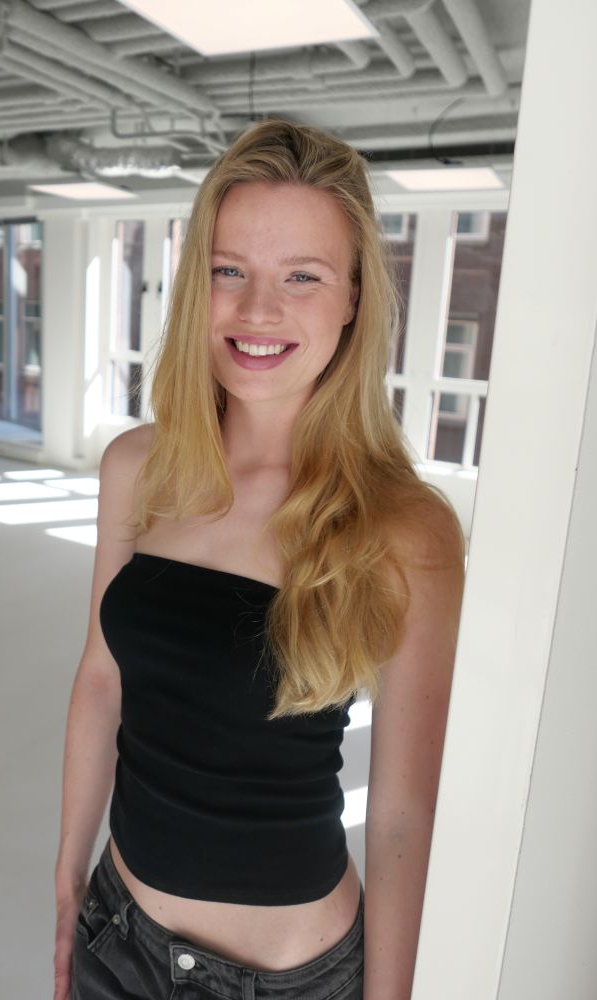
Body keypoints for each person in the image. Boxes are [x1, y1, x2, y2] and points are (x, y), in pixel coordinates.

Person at [53, 119, 464, 1000]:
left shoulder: (404, 529)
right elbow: (100, 680)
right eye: (228, 270)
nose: (256, 311)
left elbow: (399, 813)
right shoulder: (138, 468)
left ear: (353, 298)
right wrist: (65, 887)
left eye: (301, 276)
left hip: (287, 980)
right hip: (116, 939)